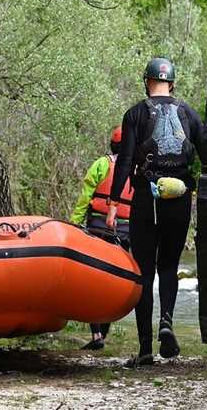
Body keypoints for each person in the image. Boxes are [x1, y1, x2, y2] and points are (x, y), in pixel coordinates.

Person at [106, 57, 202, 365]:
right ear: (172, 83)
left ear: (147, 81)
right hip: (179, 199)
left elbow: (124, 161)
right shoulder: (188, 112)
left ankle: (145, 348)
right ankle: (168, 321)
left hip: (147, 200)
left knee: (144, 272)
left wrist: (112, 202)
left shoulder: (135, 113)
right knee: (169, 267)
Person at [70, 127, 135, 350]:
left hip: (98, 228)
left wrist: (74, 224)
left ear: (111, 145)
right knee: (115, 280)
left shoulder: (101, 164)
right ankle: (103, 334)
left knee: (94, 279)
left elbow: (85, 197)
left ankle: (97, 334)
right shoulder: (137, 169)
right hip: (126, 232)